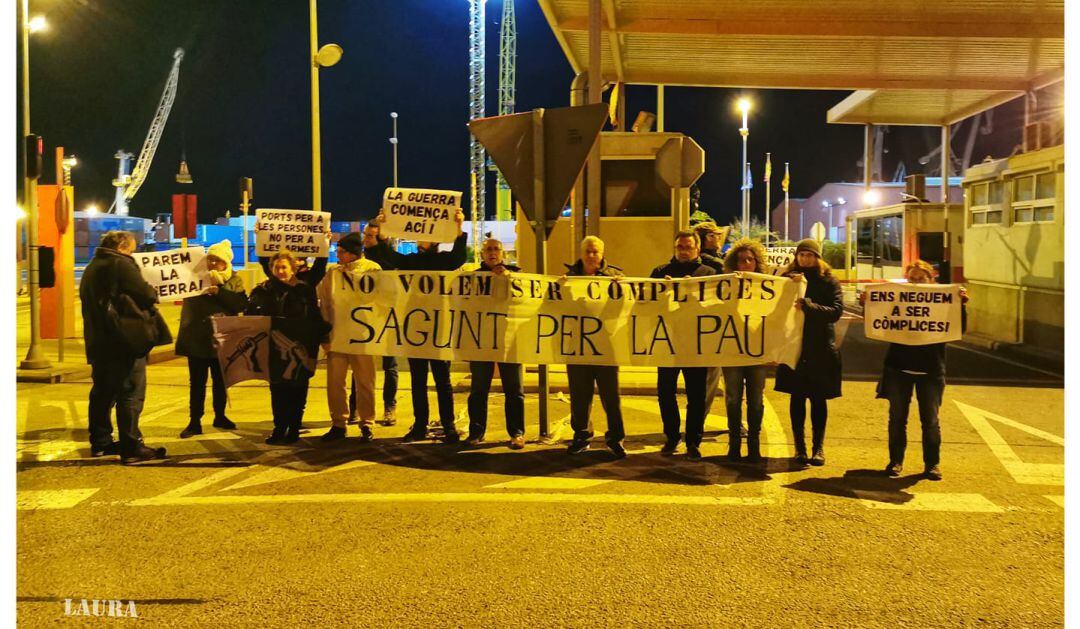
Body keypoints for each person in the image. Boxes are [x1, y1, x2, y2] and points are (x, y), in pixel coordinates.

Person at [861, 260, 968, 481]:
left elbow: (959, 329)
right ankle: (895, 462)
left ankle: (932, 465)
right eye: (912, 278)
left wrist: (961, 305)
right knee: (897, 419)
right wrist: (867, 304)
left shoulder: (943, 302)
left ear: (931, 280)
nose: (916, 282)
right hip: (898, 367)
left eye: (921, 278)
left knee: (930, 420)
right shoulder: (897, 299)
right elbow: (879, 322)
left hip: (931, 369)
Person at [368, 209, 468, 443]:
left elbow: (459, 257)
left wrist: (459, 228)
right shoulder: (410, 261)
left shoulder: (445, 260)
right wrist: (382, 233)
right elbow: (388, 257)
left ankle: (448, 425)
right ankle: (420, 424)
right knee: (418, 380)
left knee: (443, 381)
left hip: (438, 328)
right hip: (415, 328)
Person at [79, 230, 169, 464]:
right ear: (122, 247)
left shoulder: (93, 266)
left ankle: (100, 443)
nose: (133, 252)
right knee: (130, 392)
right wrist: (151, 289)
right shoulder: (121, 264)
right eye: (132, 248)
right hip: (124, 341)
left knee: (103, 392)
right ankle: (131, 447)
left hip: (99, 341)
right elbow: (147, 294)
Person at [247, 250, 328, 444]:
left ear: (293, 269)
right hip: (274, 349)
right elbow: (250, 316)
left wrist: (323, 337)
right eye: (276, 267)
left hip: (302, 347)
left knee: (298, 389)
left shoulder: (305, 289)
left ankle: (293, 428)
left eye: (284, 267)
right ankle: (279, 427)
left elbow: (314, 317)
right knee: (278, 390)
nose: (280, 270)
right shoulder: (264, 290)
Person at [774, 238, 843, 467]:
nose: (805, 259)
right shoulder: (787, 279)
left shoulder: (829, 282)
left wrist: (810, 306)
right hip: (795, 346)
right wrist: (786, 283)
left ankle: (818, 448)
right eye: (802, 255)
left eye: (810, 255)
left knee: (818, 399)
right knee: (797, 397)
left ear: (818, 257)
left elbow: (835, 312)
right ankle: (800, 448)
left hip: (820, 347)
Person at [650, 230, 717, 461]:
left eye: (689, 247)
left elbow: (717, 308)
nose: (684, 251)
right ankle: (671, 436)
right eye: (680, 247)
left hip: (696, 346)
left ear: (697, 249)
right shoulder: (660, 273)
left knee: (696, 395)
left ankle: (693, 441)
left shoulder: (709, 274)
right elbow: (646, 305)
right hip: (667, 344)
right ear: (675, 248)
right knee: (665, 393)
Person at [176, 239, 248, 439]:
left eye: (218, 261)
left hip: (222, 342)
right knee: (197, 383)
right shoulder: (194, 278)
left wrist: (218, 292)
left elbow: (241, 304)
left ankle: (220, 415)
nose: (213, 264)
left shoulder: (234, 281)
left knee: (220, 382)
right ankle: (194, 421)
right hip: (197, 339)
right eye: (211, 260)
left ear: (227, 263)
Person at [564, 236, 627, 458]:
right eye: (588, 252)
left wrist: (621, 291)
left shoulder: (615, 277)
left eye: (595, 252)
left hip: (606, 347)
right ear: (582, 253)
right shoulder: (570, 277)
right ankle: (581, 436)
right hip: (578, 346)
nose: (591, 256)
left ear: (602, 254)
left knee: (611, 396)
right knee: (579, 395)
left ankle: (616, 438)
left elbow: (624, 309)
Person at [317, 232, 383, 443]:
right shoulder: (332, 273)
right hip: (337, 335)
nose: (338, 254)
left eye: (342, 251)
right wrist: (325, 334)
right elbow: (325, 303)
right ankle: (338, 423)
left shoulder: (373, 269)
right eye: (337, 250)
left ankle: (366, 423)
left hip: (364, 336)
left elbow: (382, 301)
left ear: (354, 253)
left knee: (365, 382)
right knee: (335, 382)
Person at [463, 238, 526, 449]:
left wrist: (507, 279)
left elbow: (525, 301)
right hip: (481, 341)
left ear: (503, 254)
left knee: (514, 389)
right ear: (482, 255)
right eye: (488, 250)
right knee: (479, 389)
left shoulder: (516, 275)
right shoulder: (474, 279)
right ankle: (476, 432)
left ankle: (517, 433)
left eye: (496, 249)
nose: (492, 253)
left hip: (509, 340)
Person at [720, 238, 770, 463]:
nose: (746, 263)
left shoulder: (768, 286)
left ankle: (754, 444)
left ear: (757, 262)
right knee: (732, 399)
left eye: (750, 259)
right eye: (742, 260)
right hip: (731, 351)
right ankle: (734, 444)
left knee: (756, 400)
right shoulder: (724, 285)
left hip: (757, 353)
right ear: (735, 263)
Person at [355, 220, 399, 426]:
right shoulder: (358, 259)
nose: (367, 239)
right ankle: (355, 406)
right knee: (360, 364)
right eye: (366, 235)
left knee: (390, 365)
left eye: (371, 236)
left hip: (387, 317)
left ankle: (389, 407)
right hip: (363, 319)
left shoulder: (390, 260)